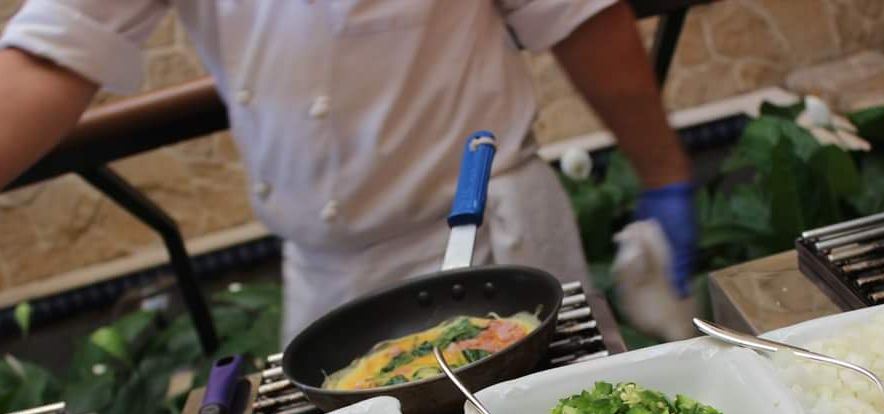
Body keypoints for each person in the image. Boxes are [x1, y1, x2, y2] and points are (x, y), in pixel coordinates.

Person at [0, 1, 696, 343]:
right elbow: (50, 52)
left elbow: (575, 14)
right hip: (323, 278)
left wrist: (664, 172)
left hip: (489, 245)